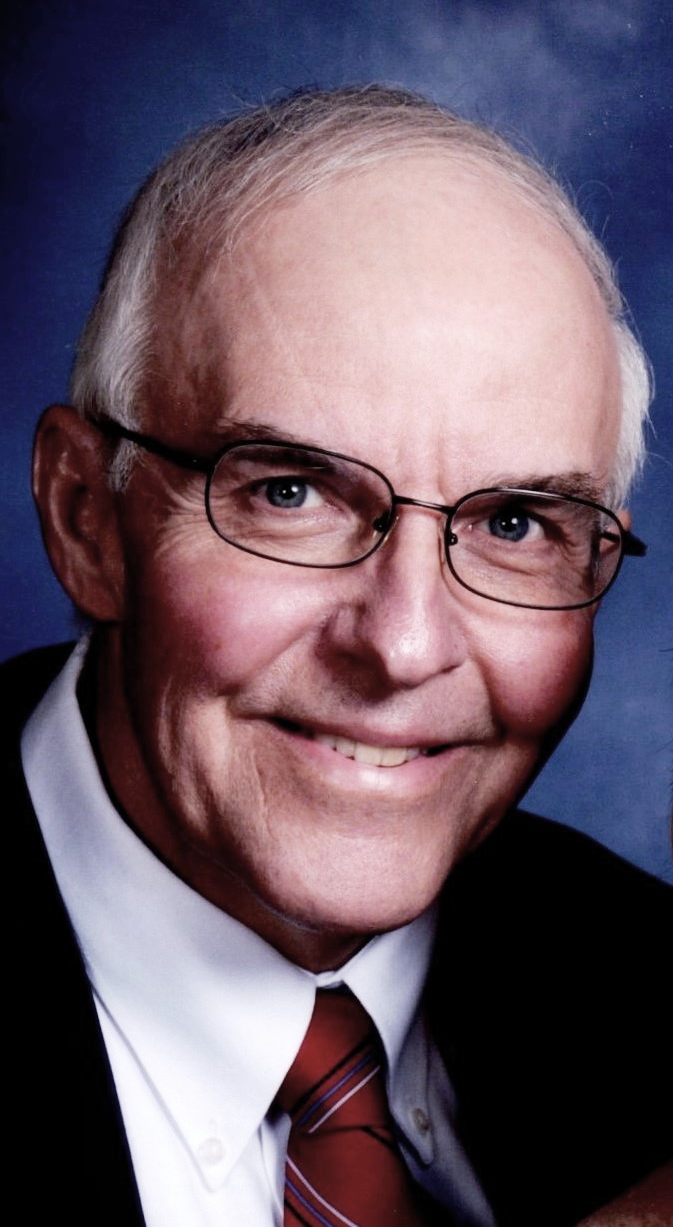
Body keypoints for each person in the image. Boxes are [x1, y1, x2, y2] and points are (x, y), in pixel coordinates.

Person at [5, 86, 671, 1227]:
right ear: (86, 520)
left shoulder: (648, 985)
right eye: (289, 493)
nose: (403, 645)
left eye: (514, 522)